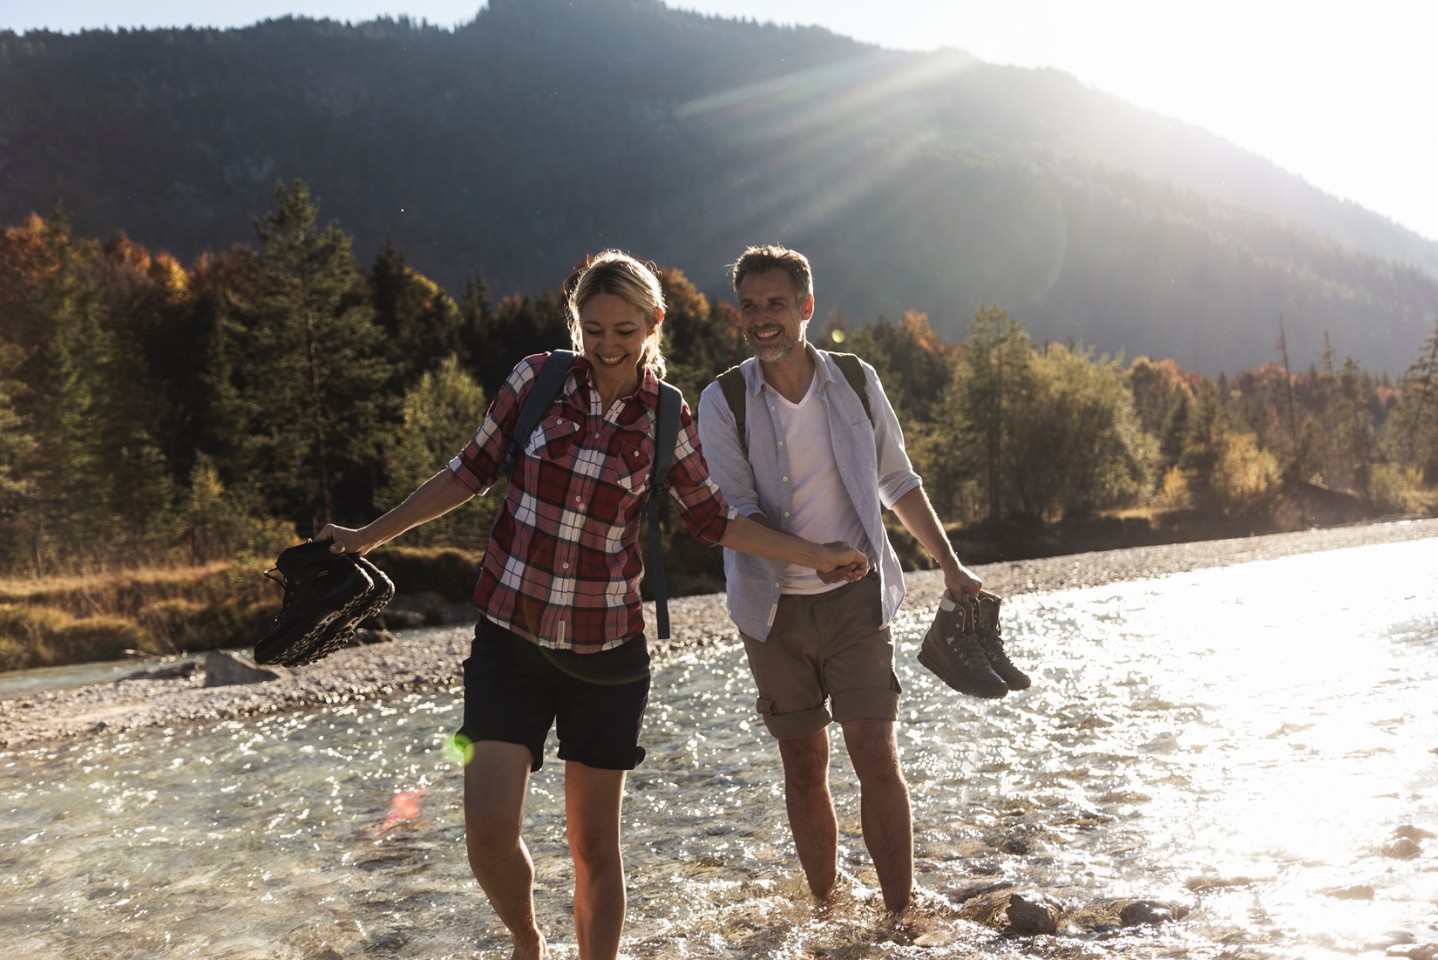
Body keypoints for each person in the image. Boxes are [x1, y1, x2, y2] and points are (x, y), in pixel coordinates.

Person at [317, 249, 868, 960]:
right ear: (575, 321)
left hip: (606, 657)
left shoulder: (667, 416)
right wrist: (367, 537)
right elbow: (466, 474)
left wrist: (817, 555)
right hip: (509, 642)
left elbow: (714, 521)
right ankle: (526, 940)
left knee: (592, 848)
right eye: (594, 328)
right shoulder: (536, 380)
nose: (607, 345)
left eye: (624, 330)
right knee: (485, 823)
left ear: (653, 324)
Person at [697, 245, 983, 915]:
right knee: (803, 762)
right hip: (771, 611)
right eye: (750, 306)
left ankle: (898, 916)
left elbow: (898, 479)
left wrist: (949, 562)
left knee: (875, 752)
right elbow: (728, 515)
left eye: (776, 304)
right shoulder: (723, 399)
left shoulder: (854, 380)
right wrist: (814, 556)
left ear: (806, 306)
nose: (762, 319)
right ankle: (825, 910)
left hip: (858, 601)